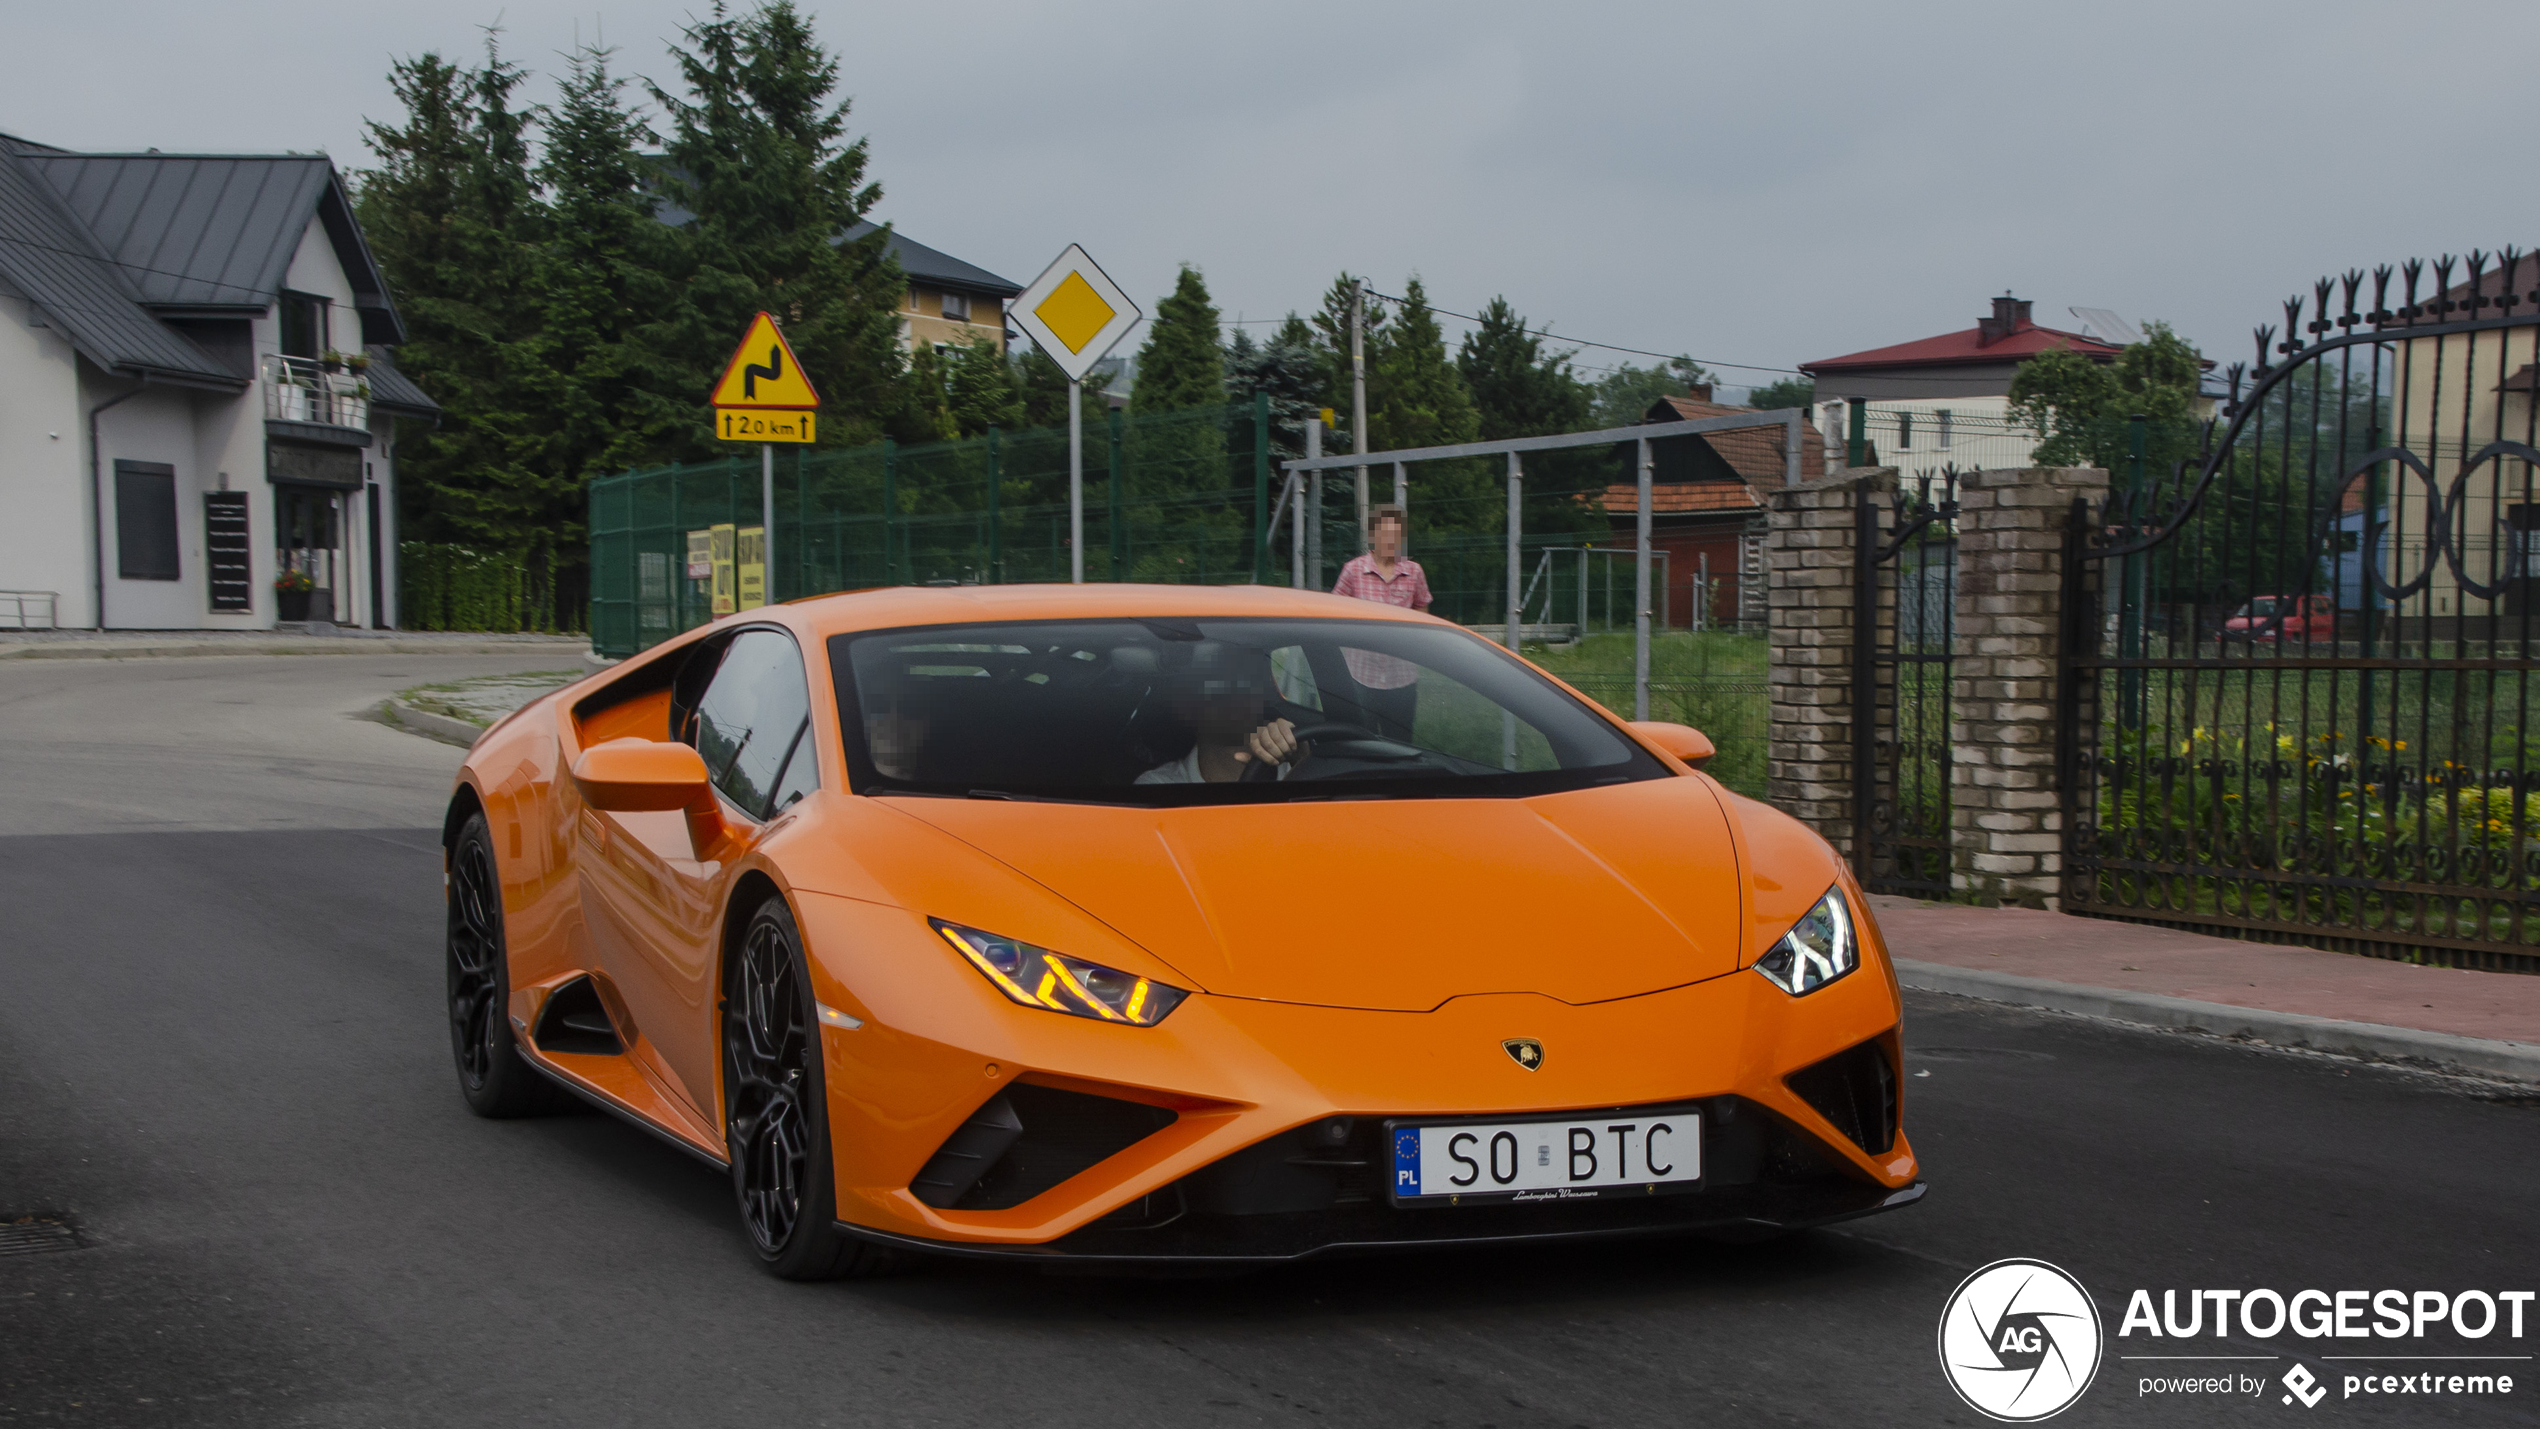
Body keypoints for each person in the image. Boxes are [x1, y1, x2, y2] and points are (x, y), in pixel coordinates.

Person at [1329, 504, 1431, 742]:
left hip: (1402, 678)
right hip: (1362, 677)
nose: (1390, 540)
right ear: (1373, 536)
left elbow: (1422, 608)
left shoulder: (1414, 572)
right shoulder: (1353, 571)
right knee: (1363, 744)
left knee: (1401, 745)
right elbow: (1334, 612)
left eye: (1396, 534)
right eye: (1384, 533)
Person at [1135, 642, 1299, 783]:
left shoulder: (1294, 768)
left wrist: (1302, 757)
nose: (1235, 697)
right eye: (1218, 688)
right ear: (1190, 708)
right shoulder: (1160, 786)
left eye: (1244, 685)